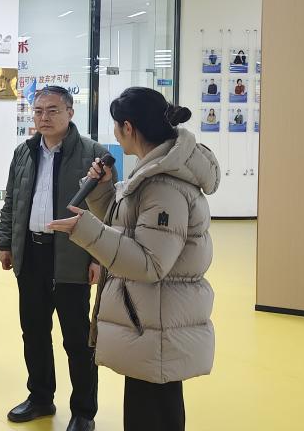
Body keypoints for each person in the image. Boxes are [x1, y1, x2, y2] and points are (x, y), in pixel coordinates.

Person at [48, 87, 218, 431]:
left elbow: (150, 263)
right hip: (149, 319)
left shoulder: (163, 186)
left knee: (151, 414)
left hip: (156, 321)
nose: (115, 134)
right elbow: (127, 229)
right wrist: (102, 190)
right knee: (154, 409)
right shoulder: (151, 173)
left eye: (116, 126)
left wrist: (85, 230)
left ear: (128, 127)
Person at [0, 85, 108, 431]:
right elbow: (12, 201)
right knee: (34, 332)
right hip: (31, 254)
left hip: (72, 257)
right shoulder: (24, 152)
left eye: (52, 110)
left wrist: (98, 257)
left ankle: (84, 411)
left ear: (70, 113)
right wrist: (6, 242)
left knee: (77, 339)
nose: (43, 117)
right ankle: (41, 398)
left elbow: (106, 213)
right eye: (38, 111)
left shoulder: (93, 155)